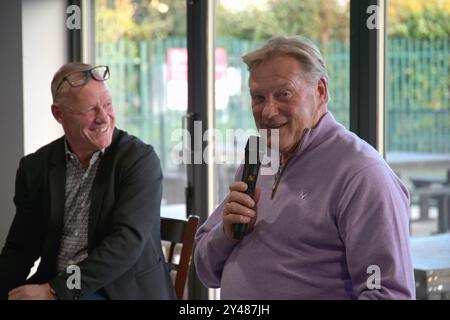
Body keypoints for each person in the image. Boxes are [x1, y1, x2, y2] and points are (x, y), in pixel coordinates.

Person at [194, 36, 415, 299]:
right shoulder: (259, 161)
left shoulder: (362, 175)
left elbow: (388, 294)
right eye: (258, 98)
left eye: (283, 94)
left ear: (320, 91)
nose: (267, 112)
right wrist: (225, 235)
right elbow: (206, 271)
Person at [0, 62, 175, 300]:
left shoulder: (139, 159)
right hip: (56, 283)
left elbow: (125, 243)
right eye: (89, 109)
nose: (103, 118)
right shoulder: (36, 167)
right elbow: (21, 248)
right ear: (58, 114)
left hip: (120, 290)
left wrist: (54, 291)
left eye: (108, 105)